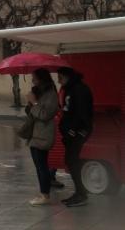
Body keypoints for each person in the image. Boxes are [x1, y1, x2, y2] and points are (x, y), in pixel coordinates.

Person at [56, 66, 94, 206]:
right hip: (71, 132)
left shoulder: (79, 90)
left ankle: (81, 193)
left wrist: (74, 130)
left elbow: (81, 112)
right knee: (71, 161)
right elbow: (68, 109)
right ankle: (80, 192)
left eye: (60, 77)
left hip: (77, 132)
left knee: (72, 160)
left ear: (68, 76)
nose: (59, 81)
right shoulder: (70, 89)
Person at [22, 68, 60, 205]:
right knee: (38, 166)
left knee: (42, 166)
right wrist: (30, 103)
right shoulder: (39, 92)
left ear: (42, 79)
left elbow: (45, 115)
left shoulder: (51, 94)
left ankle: (45, 195)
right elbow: (31, 113)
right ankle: (43, 193)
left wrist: (35, 103)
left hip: (43, 135)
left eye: (35, 78)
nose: (33, 81)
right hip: (34, 134)